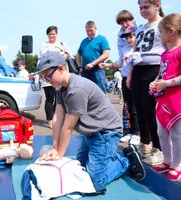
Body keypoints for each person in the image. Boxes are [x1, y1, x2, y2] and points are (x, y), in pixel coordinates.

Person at [36, 51, 145, 192]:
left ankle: (126, 160)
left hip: (106, 133)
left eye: (48, 75)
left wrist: (59, 155)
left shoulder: (76, 90)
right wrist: (55, 148)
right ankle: (109, 155)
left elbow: (67, 127)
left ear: (61, 68)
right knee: (80, 169)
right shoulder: (60, 86)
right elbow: (57, 118)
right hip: (91, 133)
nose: (46, 79)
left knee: (94, 182)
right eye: (43, 77)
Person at [129, 0, 166, 165]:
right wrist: (130, 75)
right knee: (140, 108)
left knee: (151, 110)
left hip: (155, 69)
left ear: (157, 4)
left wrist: (162, 75)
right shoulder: (140, 29)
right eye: (141, 8)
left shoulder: (164, 24)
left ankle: (159, 148)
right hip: (138, 70)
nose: (143, 11)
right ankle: (146, 143)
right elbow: (135, 51)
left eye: (146, 7)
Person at [149, 13, 181, 181]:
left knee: (176, 134)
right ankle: (167, 160)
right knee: (162, 131)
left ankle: (177, 164)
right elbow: (162, 73)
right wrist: (155, 82)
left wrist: (167, 83)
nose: (159, 36)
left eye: (161, 32)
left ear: (172, 31)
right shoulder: (164, 54)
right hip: (163, 99)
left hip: (177, 99)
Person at [100, 22, 141, 146]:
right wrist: (107, 65)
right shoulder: (124, 49)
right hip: (124, 79)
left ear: (136, 35)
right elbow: (120, 64)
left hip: (135, 79)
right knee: (127, 106)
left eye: (131, 36)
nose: (129, 39)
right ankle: (128, 131)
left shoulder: (139, 48)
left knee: (136, 107)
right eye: (126, 37)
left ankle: (137, 133)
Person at [40, 25, 72, 129]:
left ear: (56, 34)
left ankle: (57, 118)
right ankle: (49, 120)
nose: (52, 36)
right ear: (47, 35)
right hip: (48, 76)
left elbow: (69, 55)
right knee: (50, 98)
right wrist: (61, 54)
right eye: (50, 34)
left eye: (53, 33)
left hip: (60, 76)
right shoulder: (44, 45)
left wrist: (65, 55)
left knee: (59, 98)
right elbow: (47, 57)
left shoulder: (63, 44)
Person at [76, 20, 110, 93]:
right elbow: (78, 54)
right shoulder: (84, 41)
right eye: (87, 31)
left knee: (100, 92)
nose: (89, 33)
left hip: (97, 70)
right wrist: (80, 66)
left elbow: (106, 54)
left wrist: (93, 63)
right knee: (85, 92)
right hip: (85, 71)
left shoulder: (102, 39)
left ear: (95, 28)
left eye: (91, 30)